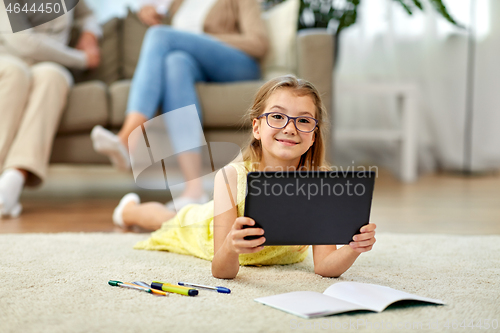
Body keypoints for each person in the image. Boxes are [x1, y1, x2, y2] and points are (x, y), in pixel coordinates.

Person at [113, 75, 377, 278]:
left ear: (314, 136)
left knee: (170, 217)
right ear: (257, 127)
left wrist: (353, 248)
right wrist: (230, 245)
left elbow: (324, 266)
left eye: (304, 120)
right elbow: (221, 270)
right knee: (170, 221)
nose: (290, 128)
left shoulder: (322, 184)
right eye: (277, 116)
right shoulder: (230, 177)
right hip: (203, 230)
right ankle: (128, 211)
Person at [90, 0, 268, 210]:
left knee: (160, 35)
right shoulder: (178, 3)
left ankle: (129, 137)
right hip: (192, 63)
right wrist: (148, 11)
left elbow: (258, 42)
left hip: (237, 64)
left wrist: (200, 39)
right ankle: (194, 189)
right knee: (175, 63)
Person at [0, 1, 101, 218]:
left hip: (50, 64)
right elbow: (25, 42)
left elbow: (89, 13)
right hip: (9, 58)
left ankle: (13, 179)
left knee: (52, 76)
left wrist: (90, 32)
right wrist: (81, 59)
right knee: (15, 73)